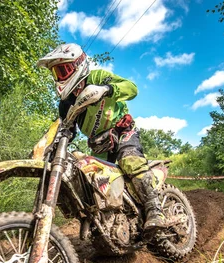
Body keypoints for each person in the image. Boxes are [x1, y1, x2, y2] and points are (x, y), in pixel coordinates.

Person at [37, 43, 175, 236]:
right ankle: (106, 227)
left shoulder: (98, 77)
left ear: (78, 64)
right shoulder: (66, 104)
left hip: (122, 132)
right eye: (56, 73)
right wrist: (50, 145)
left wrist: (107, 89)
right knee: (90, 180)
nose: (60, 77)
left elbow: (132, 88)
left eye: (64, 70)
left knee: (130, 161)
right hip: (100, 145)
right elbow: (68, 131)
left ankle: (155, 210)